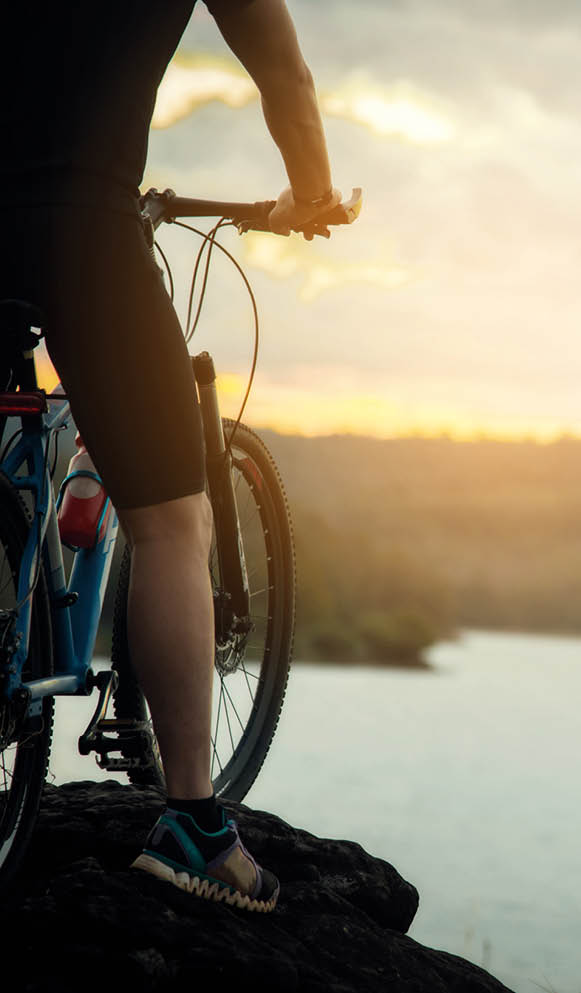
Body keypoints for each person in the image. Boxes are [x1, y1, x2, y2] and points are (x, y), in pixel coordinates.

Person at [1, 0, 339, 912]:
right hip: (81, 224)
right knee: (168, 520)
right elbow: (286, 76)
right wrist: (310, 195)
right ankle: (194, 824)